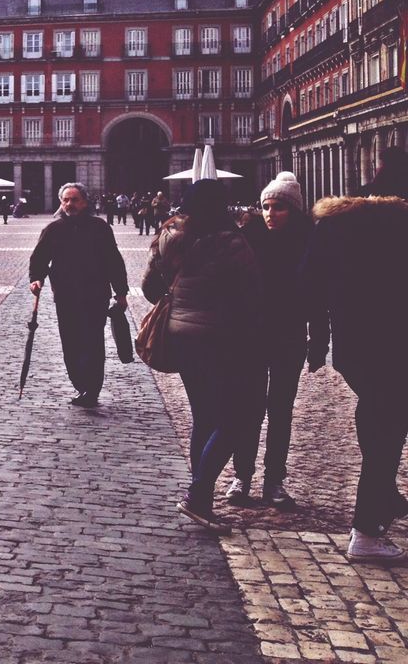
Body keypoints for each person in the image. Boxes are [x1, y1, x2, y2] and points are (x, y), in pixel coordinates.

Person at [301, 149, 408, 563]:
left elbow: (307, 283)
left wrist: (319, 336)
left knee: (378, 417)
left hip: (353, 345)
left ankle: (386, 497)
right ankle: (366, 530)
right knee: (387, 429)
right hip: (398, 341)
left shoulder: (335, 222)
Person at [141, 178, 262, 535]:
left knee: (205, 415)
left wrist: (179, 302)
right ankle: (198, 495)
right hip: (221, 337)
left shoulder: (169, 237)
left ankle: (203, 500)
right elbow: (250, 293)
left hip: (181, 336)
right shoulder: (231, 241)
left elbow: (149, 287)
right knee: (237, 417)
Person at [229, 172, 324, 510]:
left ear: (294, 210)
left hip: (290, 337)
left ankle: (274, 482)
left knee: (280, 411)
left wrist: (320, 342)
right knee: (249, 408)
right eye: (266, 206)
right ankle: (241, 476)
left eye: (279, 207)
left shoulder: (309, 244)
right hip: (252, 337)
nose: (270, 213)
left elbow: (317, 296)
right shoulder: (247, 240)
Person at [28, 183, 129, 409]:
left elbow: (114, 261)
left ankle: (91, 389)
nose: (69, 204)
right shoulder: (53, 230)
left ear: (85, 202)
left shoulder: (100, 228)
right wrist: (36, 278)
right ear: (61, 203)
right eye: (66, 200)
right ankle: (80, 382)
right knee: (70, 342)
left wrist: (121, 292)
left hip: (96, 296)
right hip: (66, 296)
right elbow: (39, 259)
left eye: (74, 200)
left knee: (93, 342)